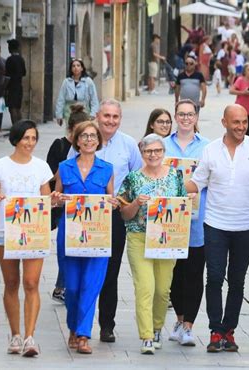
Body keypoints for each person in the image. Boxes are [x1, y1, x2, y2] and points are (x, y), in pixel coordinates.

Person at [185, 104, 249, 353]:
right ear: (224, 122)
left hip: (247, 226)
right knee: (215, 277)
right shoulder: (210, 150)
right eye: (236, 122)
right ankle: (215, 331)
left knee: (237, 281)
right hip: (215, 224)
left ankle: (230, 329)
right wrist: (165, 182)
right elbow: (196, 183)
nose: (241, 127)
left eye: (244, 122)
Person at [67, 99, 143, 343]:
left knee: (110, 272)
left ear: (120, 119)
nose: (110, 121)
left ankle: (106, 325)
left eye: (115, 117)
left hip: (112, 216)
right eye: (106, 116)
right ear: (98, 116)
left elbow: (137, 178)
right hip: (81, 217)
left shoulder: (129, 145)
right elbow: (68, 171)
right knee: (80, 272)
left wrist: (124, 202)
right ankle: (77, 326)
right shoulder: (84, 138)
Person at [117, 134, 187, 354]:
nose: (153, 155)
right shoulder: (133, 178)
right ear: (142, 153)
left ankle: (157, 328)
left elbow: (183, 206)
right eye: (149, 151)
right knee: (145, 287)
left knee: (162, 289)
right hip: (139, 237)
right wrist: (136, 203)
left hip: (166, 238)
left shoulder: (175, 176)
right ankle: (146, 336)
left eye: (157, 151)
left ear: (163, 153)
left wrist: (187, 204)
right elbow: (124, 214)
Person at [53, 121, 118, 354]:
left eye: (93, 136)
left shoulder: (107, 168)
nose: (89, 140)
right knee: (72, 285)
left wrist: (113, 202)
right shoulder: (64, 167)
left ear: (99, 141)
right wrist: (56, 198)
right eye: (85, 136)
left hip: (97, 234)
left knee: (91, 284)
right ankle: (73, 327)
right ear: (77, 141)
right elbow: (56, 197)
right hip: (69, 234)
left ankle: (82, 334)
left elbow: (113, 200)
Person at [0, 120, 53, 356]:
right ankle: (15, 334)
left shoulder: (41, 167)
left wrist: (55, 199)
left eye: (33, 138)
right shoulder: (0, 166)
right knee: (11, 282)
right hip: (3, 231)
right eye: (26, 138)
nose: (30, 143)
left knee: (31, 282)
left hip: (33, 232)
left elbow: (46, 199)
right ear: (16, 139)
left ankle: (30, 337)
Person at [164, 99, 210, 347]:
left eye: (190, 114)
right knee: (174, 275)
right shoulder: (162, 145)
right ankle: (179, 320)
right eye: (181, 114)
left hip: (197, 223)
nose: (185, 118)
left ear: (196, 117)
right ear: (175, 116)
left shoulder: (208, 147)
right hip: (168, 223)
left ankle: (190, 326)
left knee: (193, 274)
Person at [47, 104, 90, 303]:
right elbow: (51, 178)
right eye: (79, 132)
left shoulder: (90, 150)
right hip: (64, 206)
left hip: (85, 207)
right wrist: (69, 164)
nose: (84, 137)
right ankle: (62, 286)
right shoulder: (60, 146)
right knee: (65, 248)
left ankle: (65, 286)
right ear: (71, 130)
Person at [55, 58, 99, 126]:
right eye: (73, 66)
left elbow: (94, 99)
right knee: (71, 132)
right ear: (71, 69)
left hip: (84, 111)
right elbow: (61, 99)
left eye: (78, 66)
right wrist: (59, 115)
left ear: (82, 68)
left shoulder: (88, 81)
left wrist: (93, 114)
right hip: (69, 111)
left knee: (82, 130)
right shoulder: (66, 82)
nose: (76, 68)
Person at [229, 63, 249, 136]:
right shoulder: (240, 80)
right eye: (248, 70)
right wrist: (243, 92)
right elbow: (231, 91)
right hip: (239, 108)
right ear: (245, 71)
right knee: (239, 129)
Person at [5, 39, 26, 125]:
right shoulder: (21, 59)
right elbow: (24, 72)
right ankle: (20, 126)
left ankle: (16, 126)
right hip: (19, 86)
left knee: (12, 107)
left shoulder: (9, 60)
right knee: (17, 107)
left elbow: (7, 75)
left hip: (11, 86)